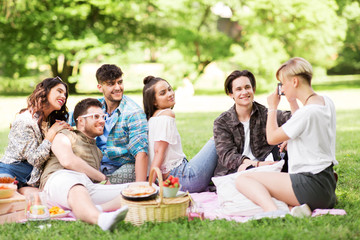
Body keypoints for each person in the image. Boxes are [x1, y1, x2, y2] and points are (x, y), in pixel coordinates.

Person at [235, 57, 338, 218]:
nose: (281, 88)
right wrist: (291, 101)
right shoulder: (325, 102)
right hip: (327, 184)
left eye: (283, 83)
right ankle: (295, 208)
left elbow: (271, 138)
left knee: (243, 180)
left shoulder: (306, 113)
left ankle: (273, 212)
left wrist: (272, 107)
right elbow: (305, 126)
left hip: (310, 184)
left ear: (295, 82)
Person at [40, 98, 129, 231]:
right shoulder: (65, 135)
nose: (102, 120)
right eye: (96, 116)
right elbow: (67, 161)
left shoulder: (98, 152)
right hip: (59, 179)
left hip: (87, 187)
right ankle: (101, 219)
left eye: (103, 116)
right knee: (76, 187)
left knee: (138, 188)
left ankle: (95, 210)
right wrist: (103, 178)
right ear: (81, 120)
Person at [143, 76, 218, 192]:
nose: (170, 94)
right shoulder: (167, 115)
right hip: (184, 179)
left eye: (169, 89)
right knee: (219, 138)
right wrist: (150, 186)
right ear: (154, 101)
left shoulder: (151, 119)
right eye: (163, 93)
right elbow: (159, 152)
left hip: (177, 178)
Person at [213, 70, 294, 177]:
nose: (244, 92)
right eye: (238, 89)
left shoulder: (266, 114)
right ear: (231, 94)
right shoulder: (222, 122)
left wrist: (290, 138)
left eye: (247, 87)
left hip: (268, 169)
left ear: (253, 90)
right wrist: (257, 164)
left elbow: (299, 118)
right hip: (236, 172)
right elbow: (227, 156)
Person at [0, 77, 71, 194]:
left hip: (31, 180)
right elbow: (35, 159)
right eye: (59, 91)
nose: (63, 96)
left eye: (65, 94)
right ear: (45, 92)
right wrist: (51, 134)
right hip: (11, 173)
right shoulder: (25, 121)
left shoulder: (50, 122)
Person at [95, 64, 148, 183]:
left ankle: (103, 186)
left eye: (120, 82)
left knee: (105, 185)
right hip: (97, 163)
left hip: (124, 166)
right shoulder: (96, 106)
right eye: (111, 84)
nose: (118, 87)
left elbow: (141, 153)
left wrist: (140, 188)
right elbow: (73, 116)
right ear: (100, 87)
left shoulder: (133, 113)